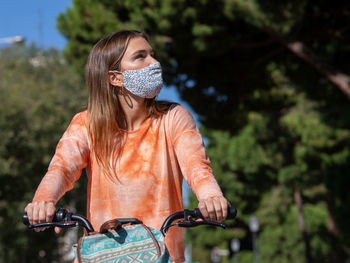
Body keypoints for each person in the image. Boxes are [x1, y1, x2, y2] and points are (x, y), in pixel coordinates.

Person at [24, 30, 229, 262]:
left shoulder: (173, 118)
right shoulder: (86, 124)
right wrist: (44, 201)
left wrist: (211, 197)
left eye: (152, 54)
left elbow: (197, 166)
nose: (154, 62)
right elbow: (62, 168)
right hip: (103, 253)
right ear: (115, 78)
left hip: (163, 254)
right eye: (141, 56)